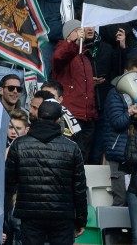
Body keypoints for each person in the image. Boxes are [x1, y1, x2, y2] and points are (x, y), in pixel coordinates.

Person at [5, 99, 88, 245]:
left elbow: (8, 183)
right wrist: (81, 219)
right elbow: (79, 188)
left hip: (30, 214)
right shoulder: (72, 148)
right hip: (62, 215)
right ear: (59, 120)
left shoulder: (19, 144)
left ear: (38, 116)